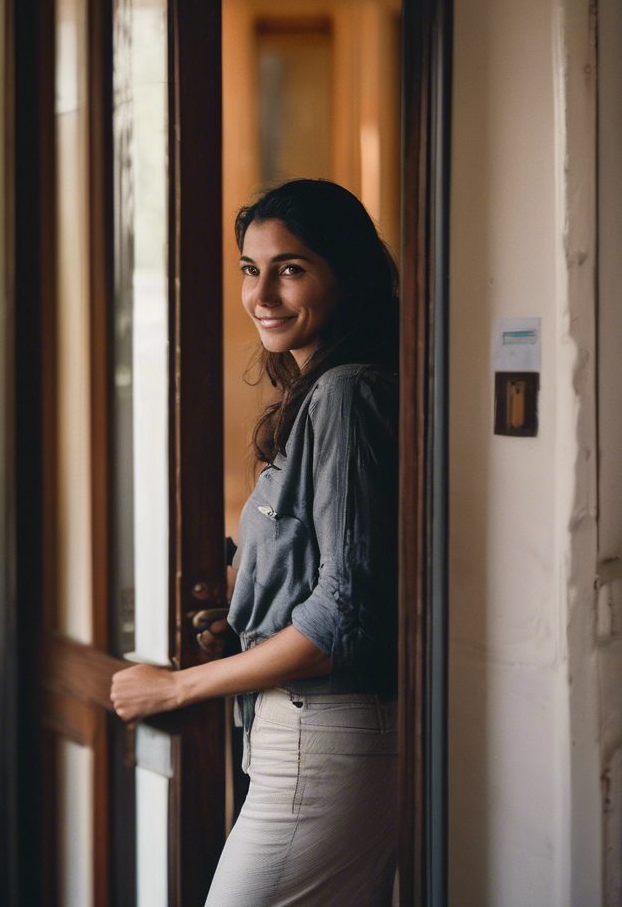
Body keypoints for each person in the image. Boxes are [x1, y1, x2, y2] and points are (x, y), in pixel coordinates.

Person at [110, 178, 400, 906]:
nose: (263, 292)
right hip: (311, 735)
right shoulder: (322, 390)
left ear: (348, 276)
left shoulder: (346, 395)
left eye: (291, 268)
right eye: (250, 268)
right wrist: (249, 596)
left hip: (321, 735)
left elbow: (344, 616)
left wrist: (176, 686)